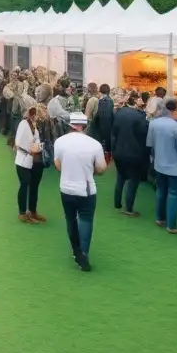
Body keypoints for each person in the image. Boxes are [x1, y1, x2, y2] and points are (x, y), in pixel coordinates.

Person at [54, 111, 107, 271]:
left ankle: (76, 251)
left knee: (70, 220)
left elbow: (58, 165)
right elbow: (102, 168)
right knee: (86, 220)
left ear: (70, 125)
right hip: (86, 190)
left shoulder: (60, 142)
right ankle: (83, 253)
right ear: (84, 126)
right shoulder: (94, 145)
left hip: (66, 188)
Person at [146, 99, 177, 234]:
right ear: (175, 110)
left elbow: (150, 144)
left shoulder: (154, 124)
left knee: (161, 191)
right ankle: (172, 225)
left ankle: (160, 218)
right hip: (175, 168)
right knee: (173, 194)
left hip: (159, 164)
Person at [111, 93, 148, 217]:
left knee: (120, 177)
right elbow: (144, 136)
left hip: (118, 151)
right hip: (134, 153)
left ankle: (117, 202)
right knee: (133, 180)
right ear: (137, 101)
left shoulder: (119, 113)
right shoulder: (139, 117)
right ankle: (129, 207)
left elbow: (114, 132)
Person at [13, 106, 46, 224]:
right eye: (39, 115)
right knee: (24, 184)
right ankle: (22, 213)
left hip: (33, 160)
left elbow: (37, 140)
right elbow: (18, 142)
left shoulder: (34, 127)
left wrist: (37, 146)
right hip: (23, 160)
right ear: (33, 115)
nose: (40, 117)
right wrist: (31, 148)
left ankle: (32, 212)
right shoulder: (23, 124)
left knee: (32, 186)